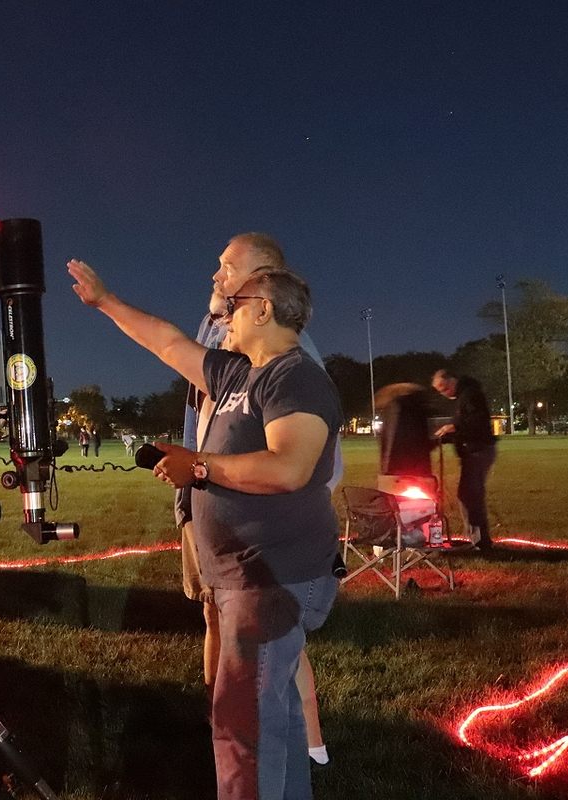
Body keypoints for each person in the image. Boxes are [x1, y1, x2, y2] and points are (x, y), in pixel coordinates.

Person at [70, 254, 342, 800]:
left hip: (272, 577)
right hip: (247, 576)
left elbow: (289, 468)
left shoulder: (296, 379)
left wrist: (199, 465)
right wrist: (106, 303)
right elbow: (169, 343)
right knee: (275, 720)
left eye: (236, 306)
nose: (226, 317)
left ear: (263, 310)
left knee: (243, 727)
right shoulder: (241, 371)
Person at [176, 233, 340, 767]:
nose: (217, 277)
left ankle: (300, 744)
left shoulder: (290, 362)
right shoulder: (232, 346)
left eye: (229, 269)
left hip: (268, 547)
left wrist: (200, 471)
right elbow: (175, 362)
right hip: (226, 530)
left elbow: (297, 466)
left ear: (263, 290)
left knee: (267, 669)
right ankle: (278, 745)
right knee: (228, 634)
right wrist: (189, 509)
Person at [431, 369, 497, 550]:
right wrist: (446, 436)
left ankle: (480, 542)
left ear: (452, 381)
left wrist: (454, 427)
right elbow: (464, 426)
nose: (444, 394)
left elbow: (476, 422)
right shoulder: (464, 395)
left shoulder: (470, 394)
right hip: (474, 450)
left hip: (478, 450)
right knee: (469, 495)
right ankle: (477, 539)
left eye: (444, 389)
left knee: (470, 495)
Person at [375, 382, 434, 479]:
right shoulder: (422, 407)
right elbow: (430, 438)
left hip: (397, 467)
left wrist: (385, 467)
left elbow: (389, 441)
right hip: (421, 466)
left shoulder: (393, 410)